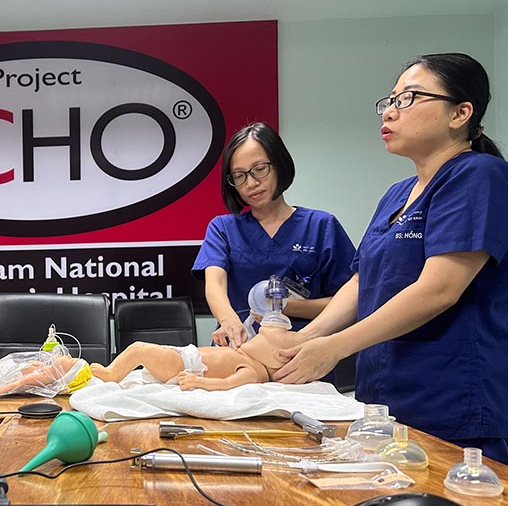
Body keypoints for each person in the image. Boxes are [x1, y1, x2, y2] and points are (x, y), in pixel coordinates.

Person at [273, 53, 508, 464]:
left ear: (461, 113)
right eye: (390, 101)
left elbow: (440, 290)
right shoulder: (397, 194)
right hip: (383, 399)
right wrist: (305, 340)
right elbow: (363, 282)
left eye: (409, 98)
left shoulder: (478, 175)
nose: (391, 112)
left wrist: (334, 347)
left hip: (450, 399)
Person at [192, 123, 356, 349]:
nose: (251, 183)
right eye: (239, 176)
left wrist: (282, 306)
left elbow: (349, 300)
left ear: (279, 165)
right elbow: (215, 284)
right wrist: (228, 320)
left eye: (259, 169)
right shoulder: (223, 228)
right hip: (239, 348)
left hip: (300, 350)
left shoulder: (320, 226)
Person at [91, 325, 306, 391]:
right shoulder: (243, 353)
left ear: (276, 357)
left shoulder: (253, 372)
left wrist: (199, 382)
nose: (257, 336)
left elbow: (225, 383)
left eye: (263, 339)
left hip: (186, 365)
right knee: (143, 351)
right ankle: (113, 371)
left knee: (138, 349)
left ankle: (112, 374)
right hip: (184, 354)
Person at [0, 352, 92, 398]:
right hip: (8, 369)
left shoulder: (46, 377)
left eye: (71, 360)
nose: (68, 355)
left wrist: (4, 389)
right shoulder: (47, 369)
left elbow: (22, 382)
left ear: (64, 373)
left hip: (8, 375)